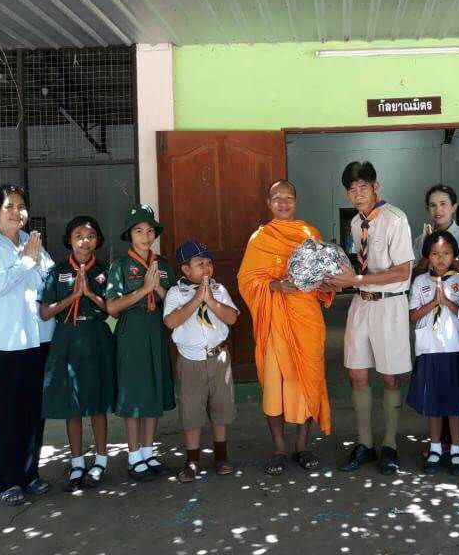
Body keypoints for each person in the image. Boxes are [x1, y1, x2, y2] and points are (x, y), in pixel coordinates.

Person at [0, 184, 55, 506]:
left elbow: (49, 284)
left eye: (21, 206)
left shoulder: (33, 243)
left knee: (32, 414)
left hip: (35, 342)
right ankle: (6, 480)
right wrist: (26, 262)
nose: (17, 212)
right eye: (9, 207)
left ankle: (29, 474)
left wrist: (37, 263)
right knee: (1, 416)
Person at [238, 180, 333, 476]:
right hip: (275, 321)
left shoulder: (310, 234)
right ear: (268, 203)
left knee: (306, 381)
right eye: (277, 198)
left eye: (288, 197)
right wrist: (274, 285)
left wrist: (324, 285)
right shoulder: (260, 239)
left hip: (306, 319)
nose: (283, 203)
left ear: (296, 201)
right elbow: (246, 281)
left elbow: (323, 276)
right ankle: (279, 448)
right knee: (275, 385)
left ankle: (302, 446)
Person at [329, 161, 414, 475]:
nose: (358, 194)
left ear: (376, 187)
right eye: (352, 190)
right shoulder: (356, 223)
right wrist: (340, 279)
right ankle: (365, 444)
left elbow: (403, 271)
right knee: (356, 373)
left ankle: (390, 445)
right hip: (361, 303)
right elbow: (361, 268)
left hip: (389, 304)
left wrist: (358, 280)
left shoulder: (395, 219)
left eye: (363, 187)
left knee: (390, 377)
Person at [40, 216, 115, 492]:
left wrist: (90, 295)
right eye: (79, 236)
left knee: (97, 402)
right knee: (71, 404)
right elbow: (45, 312)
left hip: (96, 336)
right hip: (67, 338)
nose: (85, 241)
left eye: (91, 236)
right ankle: (77, 463)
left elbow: (112, 308)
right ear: (69, 240)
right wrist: (73, 296)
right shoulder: (57, 271)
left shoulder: (106, 270)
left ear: (98, 240)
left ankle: (101, 461)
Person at [105, 205, 175, 481]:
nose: (145, 236)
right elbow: (112, 307)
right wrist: (143, 290)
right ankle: (134, 456)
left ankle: (148, 452)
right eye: (139, 231)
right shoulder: (120, 266)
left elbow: (174, 302)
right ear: (129, 235)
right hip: (131, 334)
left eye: (149, 231)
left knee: (153, 390)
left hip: (156, 331)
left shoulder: (163, 265)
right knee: (134, 393)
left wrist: (158, 288)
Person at [164, 241, 239, 483]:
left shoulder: (219, 289)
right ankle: (192, 460)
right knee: (192, 412)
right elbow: (171, 322)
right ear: (186, 270)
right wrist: (197, 299)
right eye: (200, 264)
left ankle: (221, 456)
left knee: (221, 409)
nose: (206, 268)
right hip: (190, 360)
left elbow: (232, 317)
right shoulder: (176, 293)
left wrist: (211, 300)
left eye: (209, 263)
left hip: (218, 358)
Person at [406, 231, 459, 476]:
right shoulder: (420, 282)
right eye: (434, 254)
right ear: (427, 257)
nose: (440, 258)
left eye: (446, 253)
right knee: (432, 402)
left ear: (454, 256)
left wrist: (447, 302)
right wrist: (433, 302)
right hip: (429, 349)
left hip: (456, 348)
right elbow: (412, 315)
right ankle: (434, 447)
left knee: (455, 403)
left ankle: (456, 448)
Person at [413, 184, 459, 276]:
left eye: (443, 204)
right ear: (427, 209)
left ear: (454, 207)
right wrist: (429, 246)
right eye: (433, 205)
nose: (438, 209)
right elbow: (413, 276)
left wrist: (442, 253)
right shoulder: (420, 240)